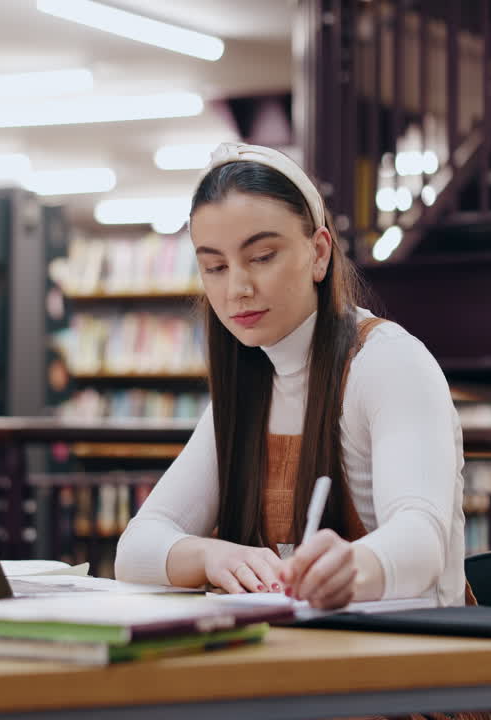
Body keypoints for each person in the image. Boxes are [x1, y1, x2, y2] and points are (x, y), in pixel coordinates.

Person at [115, 142, 468, 610]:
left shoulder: (388, 362)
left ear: (319, 253)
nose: (237, 288)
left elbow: (421, 540)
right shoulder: (249, 380)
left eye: (261, 257)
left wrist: (352, 568)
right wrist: (211, 555)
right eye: (215, 267)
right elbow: (135, 548)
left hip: (416, 653)